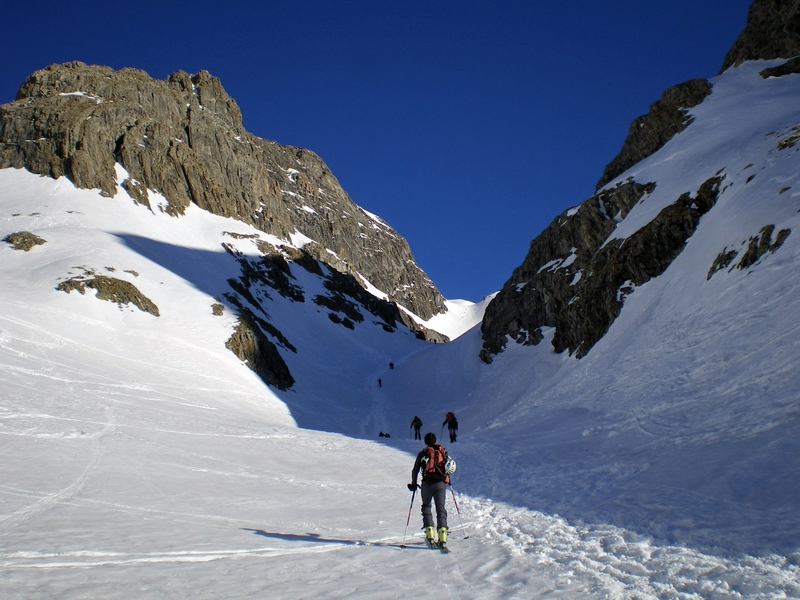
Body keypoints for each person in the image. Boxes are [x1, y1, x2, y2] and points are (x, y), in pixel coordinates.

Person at [409, 432, 449, 549]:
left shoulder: (423, 453)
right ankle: (443, 536)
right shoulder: (442, 452)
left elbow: (415, 470)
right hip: (440, 483)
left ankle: (430, 534)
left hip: (427, 483)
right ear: (435, 440)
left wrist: (414, 483)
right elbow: (448, 467)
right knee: (440, 509)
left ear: (425, 442)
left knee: (426, 507)